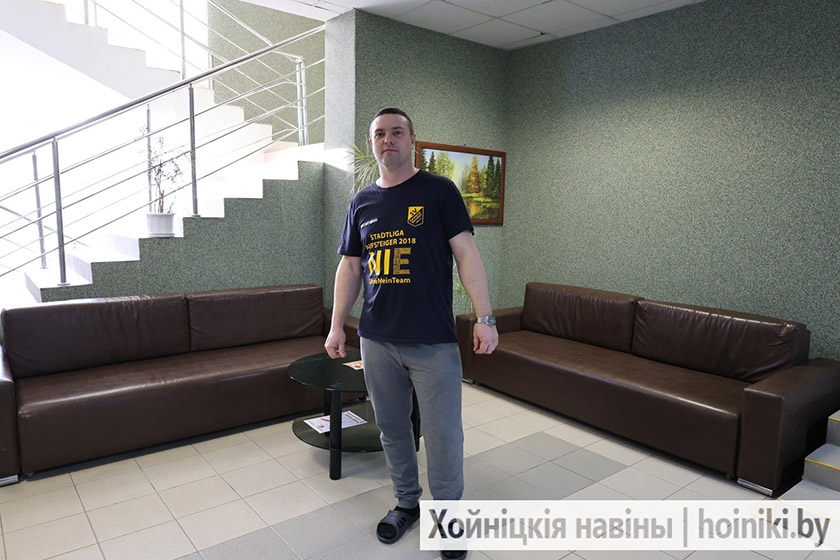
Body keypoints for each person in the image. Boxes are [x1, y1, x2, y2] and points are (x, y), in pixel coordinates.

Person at [325, 107, 498, 559]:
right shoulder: (361, 202)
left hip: (433, 341)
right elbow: (350, 267)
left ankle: (448, 516)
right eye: (380, 134)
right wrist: (337, 324)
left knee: (443, 434)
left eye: (397, 132)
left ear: (412, 140)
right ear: (372, 144)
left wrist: (485, 317)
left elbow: (467, 255)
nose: (388, 140)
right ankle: (406, 502)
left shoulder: (439, 191)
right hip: (377, 339)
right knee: (392, 429)